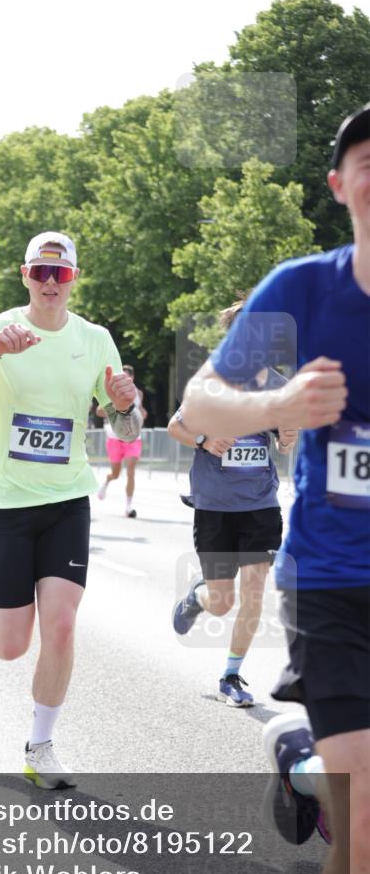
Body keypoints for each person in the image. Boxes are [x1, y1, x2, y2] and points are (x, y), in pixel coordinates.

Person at [178, 104, 370, 874]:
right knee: (364, 824)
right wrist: (279, 402)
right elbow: (198, 403)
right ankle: (318, 767)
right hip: (334, 580)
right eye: (369, 161)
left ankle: (300, 762)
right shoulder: (300, 288)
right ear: (339, 186)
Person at [0, 231, 141, 787]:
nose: (50, 283)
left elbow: (125, 424)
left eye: (61, 274)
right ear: (25, 275)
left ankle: (40, 747)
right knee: (15, 642)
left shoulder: (95, 340)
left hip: (68, 500)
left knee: (63, 627)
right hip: (4, 504)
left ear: (73, 279)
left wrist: (125, 406)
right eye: (40, 273)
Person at [167, 297, 297, 707]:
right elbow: (176, 426)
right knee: (222, 602)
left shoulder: (279, 387)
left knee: (255, 591)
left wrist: (289, 437)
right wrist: (204, 440)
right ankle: (197, 596)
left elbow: (285, 438)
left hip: (260, 503)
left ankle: (232, 674)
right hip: (215, 505)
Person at [96, 364, 147, 516]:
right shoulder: (112, 391)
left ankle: (128, 507)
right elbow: (99, 411)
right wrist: (116, 409)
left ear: (132, 378)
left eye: (128, 377)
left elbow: (141, 410)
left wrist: (142, 413)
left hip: (133, 438)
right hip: (114, 437)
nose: (125, 379)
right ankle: (107, 480)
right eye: (123, 376)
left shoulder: (138, 393)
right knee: (116, 474)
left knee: (131, 470)